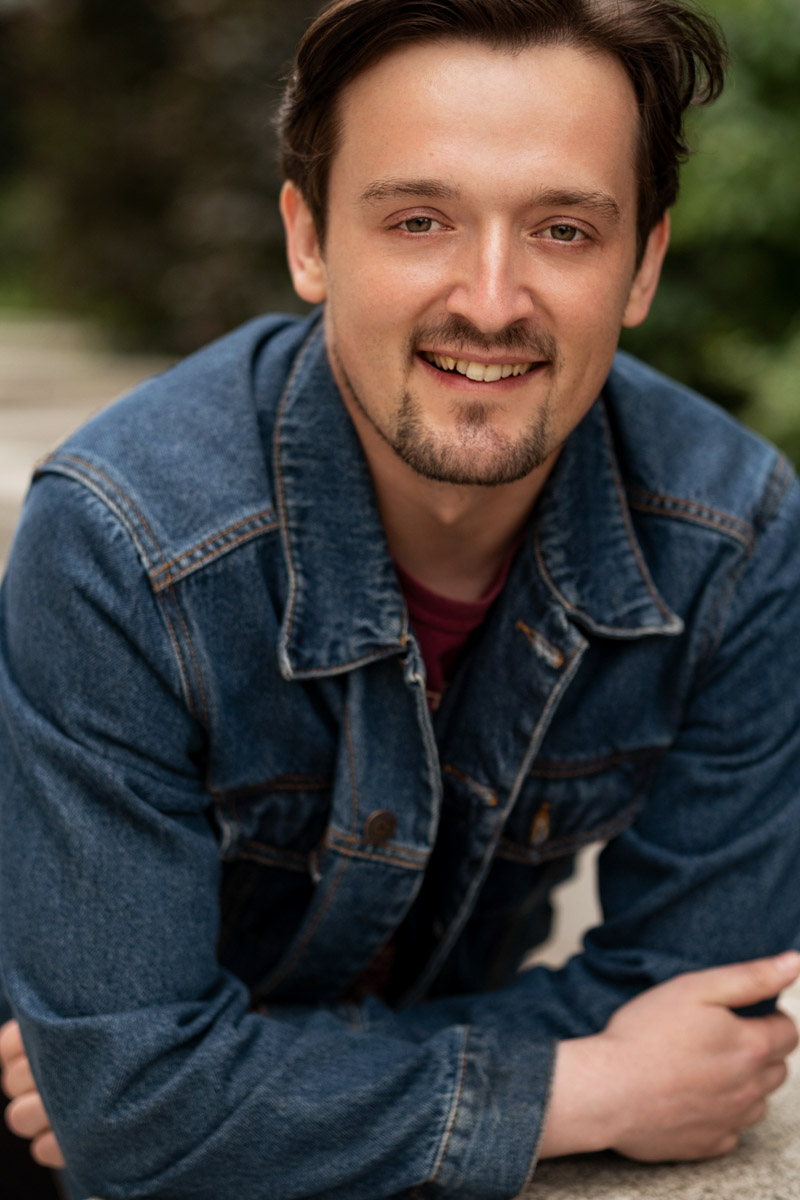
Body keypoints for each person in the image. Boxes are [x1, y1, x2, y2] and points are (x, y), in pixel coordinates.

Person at [2, 0, 800, 1196]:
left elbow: (699, 1012)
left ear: (641, 265)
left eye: (563, 231)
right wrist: (578, 1087)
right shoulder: (125, 542)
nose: (489, 298)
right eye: (419, 220)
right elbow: (116, 1115)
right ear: (309, 240)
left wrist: (189, 1087)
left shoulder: (732, 539)